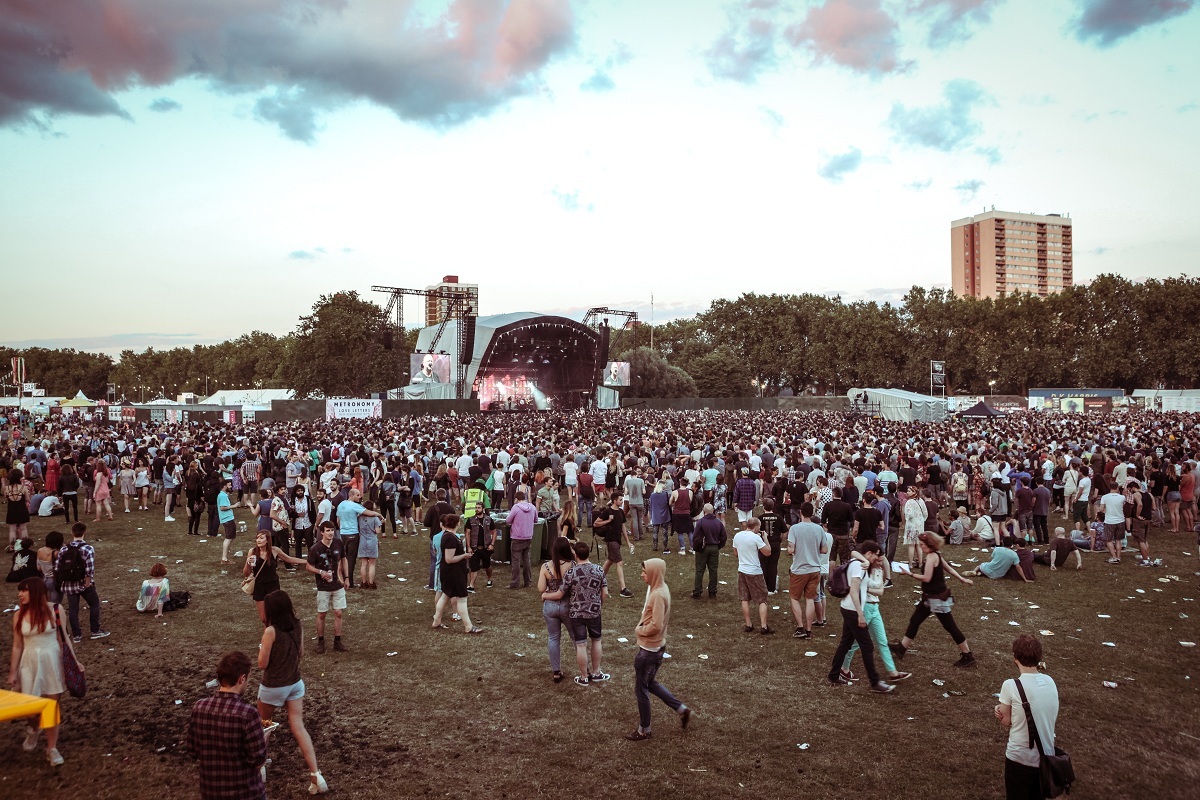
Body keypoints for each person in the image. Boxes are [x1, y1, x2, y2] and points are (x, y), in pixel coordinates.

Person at [256, 591, 328, 795]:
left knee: (263, 726)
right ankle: (316, 775)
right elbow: (301, 653)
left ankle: (259, 767)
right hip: (295, 684)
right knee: (299, 726)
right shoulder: (298, 625)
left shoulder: (270, 631)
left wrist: (262, 648)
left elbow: (262, 664)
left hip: (272, 686)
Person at [9, 576, 74, 767]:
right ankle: (34, 728)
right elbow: (17, 646)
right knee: (31, 708)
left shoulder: (56, 610)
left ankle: (51, 749)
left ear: (36, 592)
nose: (20, 594)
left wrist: (75, 662)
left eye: (24, 590)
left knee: (51, 707)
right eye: (19, 591)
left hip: (52, 662)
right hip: (29, 664)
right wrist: (13, 672)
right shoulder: (18, 615)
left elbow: (64, 639)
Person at [624, 558, 691, 741]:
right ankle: (681, 709)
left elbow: (656, 624)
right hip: (656, 647)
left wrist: (639, 630)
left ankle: (644, 729)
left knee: (641, 690)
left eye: (645, 572)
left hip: (649, 650)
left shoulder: (657, 595)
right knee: (650, 683)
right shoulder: (661, 589)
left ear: (654, 574)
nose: (641, 575)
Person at [187, 651, 268, 800]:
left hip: (210, 792)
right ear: (241, 679)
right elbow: (258, 761)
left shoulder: (199, 707)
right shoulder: (248, 714)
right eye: (248, 678)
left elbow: (193, 751)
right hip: (246, 793)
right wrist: (264, 736)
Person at [892, 532, 976, 668]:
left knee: (950, 626)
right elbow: (948, 569)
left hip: (937, 599)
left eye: (922, 544)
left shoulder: (932, 557)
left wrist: (909, 574)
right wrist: (962, 579)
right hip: (929, 598)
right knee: (915, 620)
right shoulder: (936, 554)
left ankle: (968, 655)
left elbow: (927, 578)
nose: (920, 547)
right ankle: (901, 648)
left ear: (929, 544)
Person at [995, 634, 1059, 800]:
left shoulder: (1010, 685)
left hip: (1019, 758)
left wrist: (998, 711)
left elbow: (1006, 721)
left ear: (1015, 658)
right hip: (1046, 756)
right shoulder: (1050, 681)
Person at [827, 541, 896, 694]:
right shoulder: (860, 566)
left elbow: (853, 552)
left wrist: (864, 560)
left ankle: (833, 675)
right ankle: (875, 682)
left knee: (845, 643)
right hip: (853, 610)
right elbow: (854, 591)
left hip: (847, 607)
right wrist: (860, 614)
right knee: (867, 646)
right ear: (869, 553)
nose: (877, 559)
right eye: (876, 555)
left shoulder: (857, 561)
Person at [837, 547, 912, 685]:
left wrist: (865, 588)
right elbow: (853, 552)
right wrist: (865, 562)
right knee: (855, 643)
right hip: (864, 606)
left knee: (882, 640)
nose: (880, 563)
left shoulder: (879, 571)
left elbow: (881, 592)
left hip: (874, 607)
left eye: (882, 561)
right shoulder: (863, 566)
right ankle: (844, 668)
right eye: (878, 560)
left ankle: (893, 672)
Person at [545, 540, 609, 686]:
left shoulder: (571, 572)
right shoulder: (599, 570)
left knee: (581, 645)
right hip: (594, 612)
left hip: (576, 613)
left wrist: (545, 595)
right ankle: (596, 672)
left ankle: (584, 676)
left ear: (575, 554)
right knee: (596, 640)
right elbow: (605, 592)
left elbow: (560, 594)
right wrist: (598, 605)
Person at [55, 522, 110, 643]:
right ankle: (95, 630)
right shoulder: (88, 548)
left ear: (72, 533)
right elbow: (90, 567)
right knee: (94, 604)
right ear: (84, 532)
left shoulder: (64, 549)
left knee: (73, 608)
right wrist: (88, 581)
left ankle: (76, 635)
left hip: (69, 584)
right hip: (84, 583)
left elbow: (58, 567)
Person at [432, 514, 482, 634]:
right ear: (458, 524)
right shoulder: (450, 538)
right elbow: (449, 559)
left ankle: (436, 621)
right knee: (462, 599)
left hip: (448, 572)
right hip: (454, 573)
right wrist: (464, 556)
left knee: (445, 595)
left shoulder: (447, 535)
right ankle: (468, 626)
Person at [245, 530, 307, 625]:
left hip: (273, 585)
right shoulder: (252, 552)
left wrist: (307, 561)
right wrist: (247, 563)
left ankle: (274, 633)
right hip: (259, 586)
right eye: (257, 538)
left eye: (261, 538)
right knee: (264, 619)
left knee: (273, 615)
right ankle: (268, 633)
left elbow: (288, 559)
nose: (258, 540)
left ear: (267, 540)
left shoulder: (274, 550)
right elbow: (246, 573)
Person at [306, 522, 348, 654]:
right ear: (322, 532)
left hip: (338, 584)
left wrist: (347, 577)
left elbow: (344, 559)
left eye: (332, 530)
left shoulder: (339, 543)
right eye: (328, 530)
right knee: (322, 613)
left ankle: (337, 641)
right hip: (323, 586)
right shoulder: (315, 548)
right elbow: (308, 566)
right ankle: (320, 641)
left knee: (338, 613)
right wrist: (320, 572)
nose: (331, 533)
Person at [787, 502, 826, 639]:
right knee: (810, 599)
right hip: (815, 569)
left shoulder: (794, 529)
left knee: (794, 598)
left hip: (799, 569)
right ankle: (809, 630)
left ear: (801, 513)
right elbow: (824, 549)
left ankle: (800, 627)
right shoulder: (819, 529)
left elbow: (791, 549)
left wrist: (791, 549)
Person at [538, 537, 574, 683]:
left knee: (553, 637)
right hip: (568, 605)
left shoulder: (545, 567)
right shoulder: (572, 565)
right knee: (576, 638)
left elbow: (541, 588)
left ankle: (556, 671)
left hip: (550, 606)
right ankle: (586, 669)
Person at [733, 518, 774, 634]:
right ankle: (764, 626)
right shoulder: (756, 538)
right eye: (759, 527)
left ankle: (748, 624)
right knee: (762, 599)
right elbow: (768, 552)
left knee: (744, 598)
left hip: (742, 570)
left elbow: (735, 553)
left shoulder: (737, 536)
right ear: (756, 527)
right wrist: (765, 538)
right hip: (755, 571)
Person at [594, 492, 635, 598]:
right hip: (611, 540)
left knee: (610, 560)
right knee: (619, 562)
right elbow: (596, 523)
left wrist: (628, 542)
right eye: (620, 500)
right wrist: (608, 520)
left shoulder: (620, 512)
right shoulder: (608, 511)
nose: (622, 501)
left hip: (617, 540)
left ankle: (597, 581)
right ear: (614, 500)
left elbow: (623, 527)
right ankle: (623, 589)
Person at [691, 503, 727, 599]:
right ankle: (712, 591)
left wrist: (696, 546)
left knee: (699, 570)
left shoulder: (701, 522)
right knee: (713, 570)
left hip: (702, 548)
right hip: (714, 547)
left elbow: (695, 536)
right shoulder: (718, 522)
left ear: (704, 511)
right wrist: (719, 546)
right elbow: (724, 536)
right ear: (713, 511)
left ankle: (697, 591)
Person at [507, 491, 538, 589]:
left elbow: (508, 520)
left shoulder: (515, 508)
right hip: (528, 536)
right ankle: (528, 581)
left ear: (516, 499)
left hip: (517, 537)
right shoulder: (532, 507)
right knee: (526, 559)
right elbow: (536, 520)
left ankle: (515, 583)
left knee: (516, 560)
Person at [757, 497, 785, 594]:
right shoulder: (778, 517)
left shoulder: (760, 518)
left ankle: (764, 586)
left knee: (763, 565)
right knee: (773, 565)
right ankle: (771, 588)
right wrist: (780, 539)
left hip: (763, 544)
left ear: (763, 507)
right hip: (775, 543)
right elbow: (784, 531)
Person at [467, 502, 497, 590]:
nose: (477, 509)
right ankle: (471, 585)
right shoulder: (471, 520)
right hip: (474, 548)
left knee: (487, 565)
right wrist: (468, 547)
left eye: (479, 507)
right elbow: (467, 533)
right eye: (476, 507)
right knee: (473, 567)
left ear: (483, 509)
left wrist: (492, 544)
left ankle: (489, 579)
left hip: (486, 547)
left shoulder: (488, 519)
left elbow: (494, 532)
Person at [1098, 481, 1127, 565]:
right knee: (1118, 540)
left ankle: (1114, 557)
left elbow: (1101, 509)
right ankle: (1118, 557)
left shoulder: (1105, 497)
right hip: (1120, 520)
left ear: (1110, 488)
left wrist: (1105, 510)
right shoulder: (1122, 497)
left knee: (1109, 540)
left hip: (1109, 521)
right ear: (1117, 488)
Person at [356, 500, 382, 589]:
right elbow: (377, 531)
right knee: (372, 564)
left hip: (362, 541)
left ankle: (363, 582)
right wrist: (381, 524)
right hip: (372, 541)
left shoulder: (359, 517)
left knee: (363, 564)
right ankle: (371, 583)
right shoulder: (375, 518)